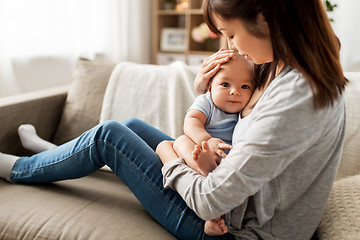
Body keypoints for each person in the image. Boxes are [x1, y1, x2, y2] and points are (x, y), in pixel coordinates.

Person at [0, 0, 348, 239]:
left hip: (229, 229)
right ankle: (54, 153)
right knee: (133, 127)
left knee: (109, 137)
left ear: (266, 20)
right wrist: (205, 88)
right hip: (232, 194)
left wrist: (172, 150)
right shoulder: (288, 68)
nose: (232, 46)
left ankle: (18, 169)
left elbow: (210, 200)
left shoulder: (296, 98)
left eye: (230, 32)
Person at [169, 53, 255, 177]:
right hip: (204, 150)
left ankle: (207, 171)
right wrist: (207, 140)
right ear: (210, 87)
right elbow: (191, 121)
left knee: (170, 144)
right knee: (181, 141)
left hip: (230, 159)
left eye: (245, 86)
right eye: (225, 84)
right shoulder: (207, 102)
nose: (235, 92)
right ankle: (202, 168)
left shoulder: (247, 108)